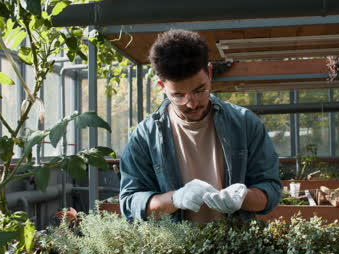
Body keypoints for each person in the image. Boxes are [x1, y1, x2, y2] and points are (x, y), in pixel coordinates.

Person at [119, 29, 281, 224]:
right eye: (178, 95)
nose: (192, 103)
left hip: (237, 247)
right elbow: (130, 203)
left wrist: (243, 197)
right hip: (173, 248)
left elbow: (270, 191)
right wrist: (174, 199)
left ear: (210, 73)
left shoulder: (245, 123)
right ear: (162, 86)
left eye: (199, 90)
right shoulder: (145, 136)